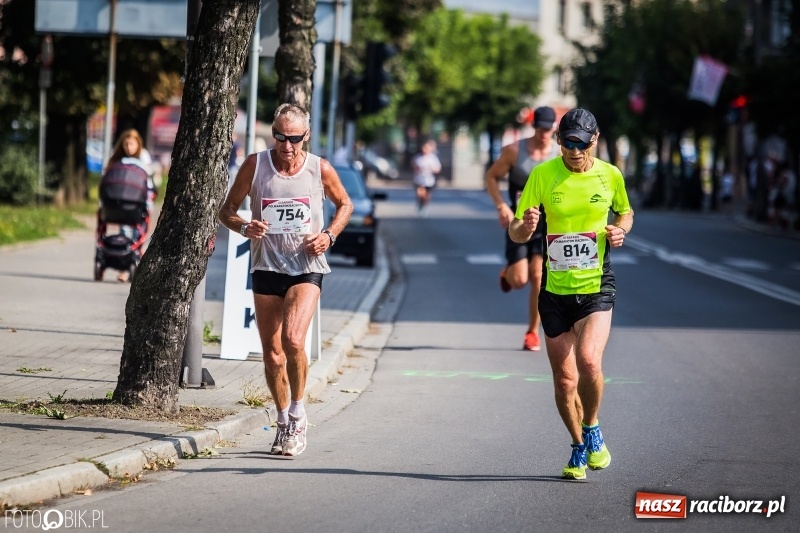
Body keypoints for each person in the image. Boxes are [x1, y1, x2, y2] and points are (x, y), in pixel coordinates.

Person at [218, 103, 353, 457]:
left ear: (305, 136)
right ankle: (280, 421)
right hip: (266, 267)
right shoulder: (255, 165)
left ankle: (298, 413)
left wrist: (328, 235)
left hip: (306, 265)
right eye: (280, 136)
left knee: (294, 340)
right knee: (273, 354)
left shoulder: (319, 168)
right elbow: (226, 211)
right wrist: (246, 226)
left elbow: (345, 205)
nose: (286, 145)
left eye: (293, 138)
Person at [509, 108, 633, 480]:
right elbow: (516, 230)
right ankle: (578, 445)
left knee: (589, 361)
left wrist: (619, 230)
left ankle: (592, 426)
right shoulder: (543, 175)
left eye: (580, 143)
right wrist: (526, 226)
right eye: (567, 142)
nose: (573, 150)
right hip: (554, 290)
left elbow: (625, 212)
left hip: (596, 286)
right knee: (565, 381)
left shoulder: (610, 175)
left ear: (594, 140)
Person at [485, 106, 559, 351]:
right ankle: (507, 274)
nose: (544, 133)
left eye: (549, 129)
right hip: (518, 222)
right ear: (534, 126)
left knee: (538, 276)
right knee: (519, 281)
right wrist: (501, 206)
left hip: (546, 224)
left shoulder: (559, 155)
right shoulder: (514, 152)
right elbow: (491, 177)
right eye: (540, 128)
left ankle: (532, 332)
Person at [105, 129, 157, 282]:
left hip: (140, 203)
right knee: (125, 234)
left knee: (138, 236)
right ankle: (124, 269)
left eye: (132, 144)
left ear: (138, 144)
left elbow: (148, 180)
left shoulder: (143, 157)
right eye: (126, 144)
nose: (129, 147)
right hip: (123, 202)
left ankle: (136, 267)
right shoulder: (117, 159)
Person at [412, 138, 442, 216]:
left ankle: (424, 206)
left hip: (429, 180)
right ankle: (419, 203)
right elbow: (413, 166)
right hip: (419, 179)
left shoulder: (433, 158)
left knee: (427, 195)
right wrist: (417, 169)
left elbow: (438, 168)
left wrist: (433, 170)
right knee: (420, 193)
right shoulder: (418, 157)